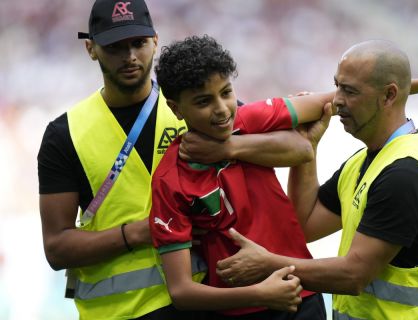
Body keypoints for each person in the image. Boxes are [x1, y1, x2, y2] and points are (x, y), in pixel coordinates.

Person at [36, 1, 314, 319]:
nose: (129, 56)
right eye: (115, 47)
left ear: (154, 40)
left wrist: (229, 149)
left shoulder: (196, 104)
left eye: (138, 43)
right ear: (91, 48)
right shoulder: (65, 134)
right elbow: (56, 248)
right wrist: (139, 233)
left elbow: (297, 148)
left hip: (208, 304)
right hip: (120, 313)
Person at [215, 40, 418, 319]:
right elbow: (305, 225)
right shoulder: (364, 162)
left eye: (349, 91)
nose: (337, 100)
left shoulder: (404, 176)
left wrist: (267, 264)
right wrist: (309, 148)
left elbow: (354, 275)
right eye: (337, 85)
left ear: (389, 96)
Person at [149, 34, 338, 319]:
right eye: (203, 101)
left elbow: (324, 114)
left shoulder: (248, 121)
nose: (222, 109)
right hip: (239, 310)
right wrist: (260, 293)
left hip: (301, 295)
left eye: (226, 92)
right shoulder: (169, 179)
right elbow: (182, 291)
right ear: (176, 108)